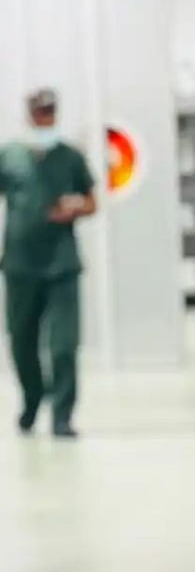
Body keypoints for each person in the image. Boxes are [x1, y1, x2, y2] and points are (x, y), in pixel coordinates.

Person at [0, 88, 97, 439]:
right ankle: (32, 398)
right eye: (41, 113)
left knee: (63, 346)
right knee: (22, 342)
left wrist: (76, 208)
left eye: (51, 112)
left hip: (62, 266)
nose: (46, 119)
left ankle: (62, 416)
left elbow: (92, 201)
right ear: (29, 116)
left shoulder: (70, 157)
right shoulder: (10, 156)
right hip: (20, 266)